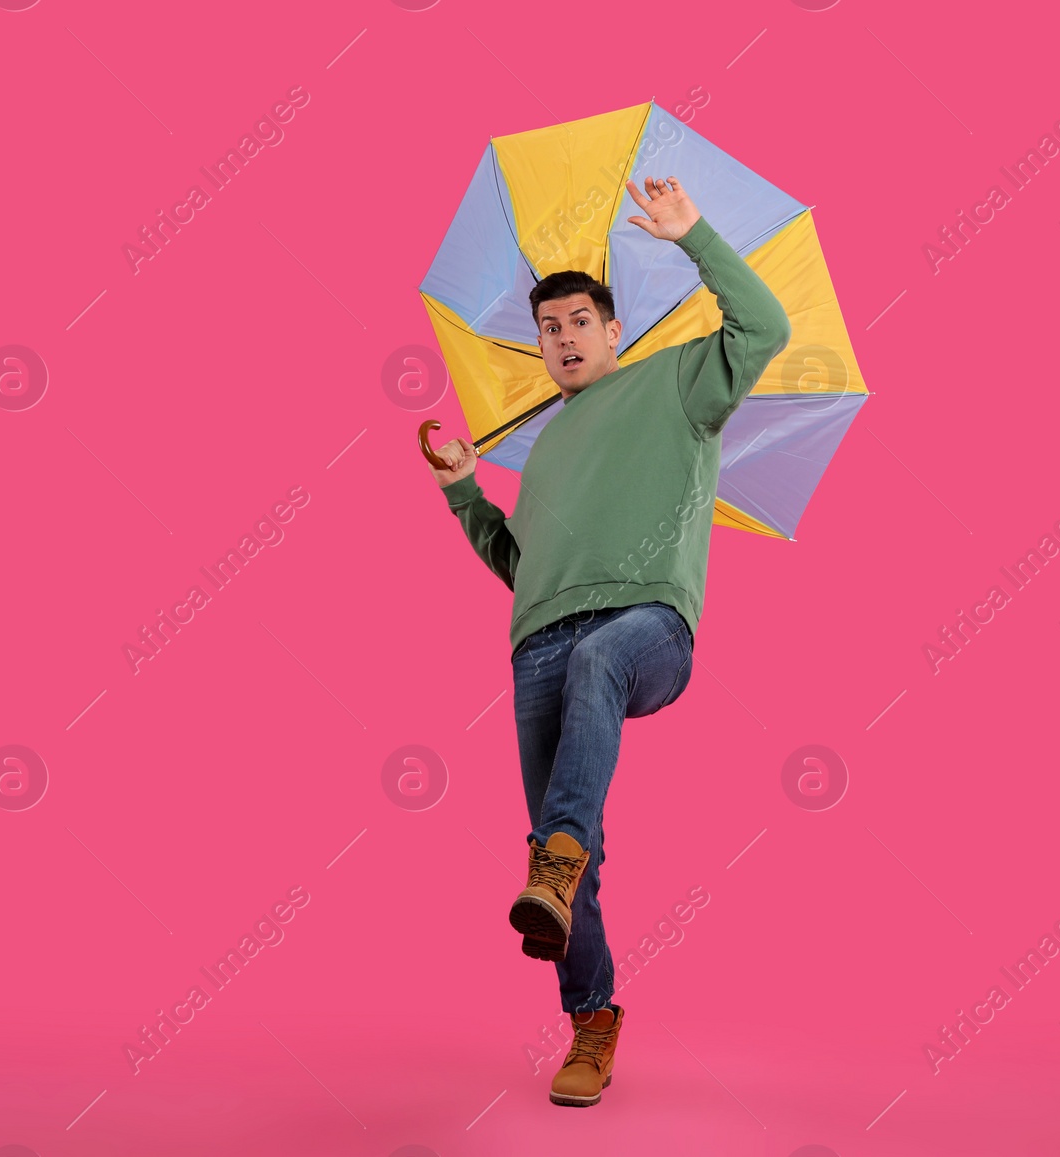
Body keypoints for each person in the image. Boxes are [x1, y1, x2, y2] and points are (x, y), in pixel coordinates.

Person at [427, 174, 791, 1107]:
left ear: (613, 330)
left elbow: (766, 331)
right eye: (551, 328)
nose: (565, 337)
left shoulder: (678, 382)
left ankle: (558, 850)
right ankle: (592, 1018)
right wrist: (467, 486)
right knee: (561, 868)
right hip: (539, 642)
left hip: (648, 625)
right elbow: (522, 565)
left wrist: (692, 234)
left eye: (581, 321)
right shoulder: (539, 446)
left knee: (568, 799)